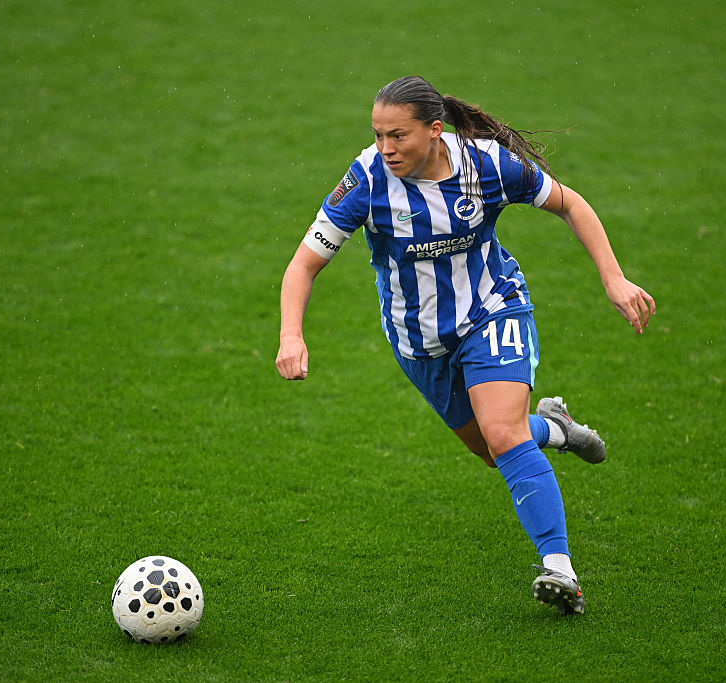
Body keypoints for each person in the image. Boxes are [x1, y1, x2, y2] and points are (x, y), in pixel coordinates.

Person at [276, 76, 655, 615]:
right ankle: (556, 428)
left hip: (491, 309)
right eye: (378, 135)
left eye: (398, 136)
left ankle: (560, 570)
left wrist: (613, 279)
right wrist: (292, 336)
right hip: (419, 341)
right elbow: (303, 264)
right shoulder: (366, 179)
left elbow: (570, 204)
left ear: (435, 130)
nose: (386, 149)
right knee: (492, 449)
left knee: (503, 433)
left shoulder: (488, 165)